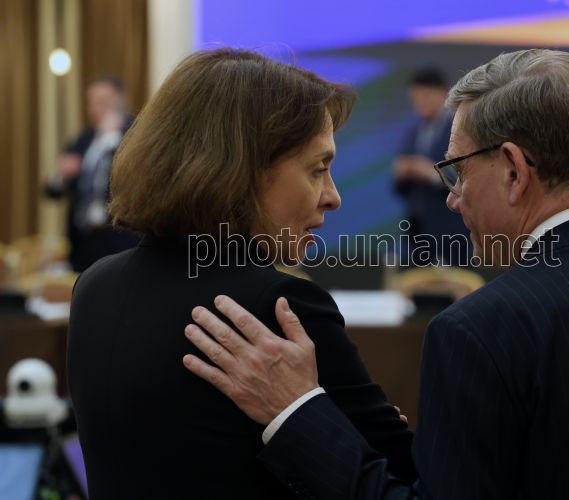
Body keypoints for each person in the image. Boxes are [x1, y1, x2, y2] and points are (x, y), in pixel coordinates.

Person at [181, 49, 569, 499]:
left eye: (457, 171)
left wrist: (297, 412)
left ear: (514, 172)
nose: (452, 198)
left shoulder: (480, 330)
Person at [67, 49, 415, 500]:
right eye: (318, 169)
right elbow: (404, 480)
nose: (333, 197)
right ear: (244, 171)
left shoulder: (93, 286)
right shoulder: (280, 307)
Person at [45, 77, 139, 272]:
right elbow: (52, 192)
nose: (96, 108)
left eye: (103, 101)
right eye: (92, 103)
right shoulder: (83, 140)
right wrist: (61, 176)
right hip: (83, 241)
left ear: (121, 100)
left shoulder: (135, 135)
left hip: (120, 238)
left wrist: (111, 140)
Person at [394, 68, 470, 266]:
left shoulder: (458, 130)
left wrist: (431, 174)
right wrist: (402, 173)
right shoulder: (413, 132)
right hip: (418, 234)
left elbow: (469, 180)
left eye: (426, 96)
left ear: (443, 93)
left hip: (451, 233)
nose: (420, 102)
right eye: (415, 98)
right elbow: (399, 187)